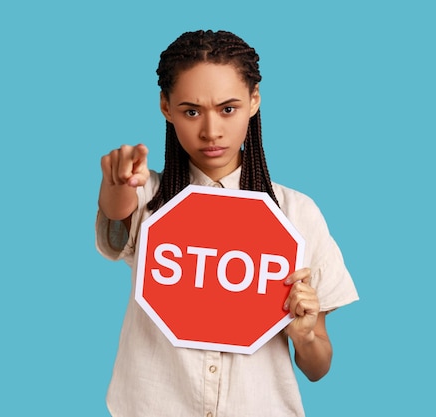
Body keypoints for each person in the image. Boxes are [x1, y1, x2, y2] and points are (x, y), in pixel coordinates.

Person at [96, 29, 358, 417]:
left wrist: (304, 338)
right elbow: (118, 216)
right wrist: (116, 181)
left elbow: (318, 367)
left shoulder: (296, 213)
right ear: (165, 107)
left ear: (254, 101)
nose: (211, 131)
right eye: (191, 111)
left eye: (228, 108)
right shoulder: (149, 197)